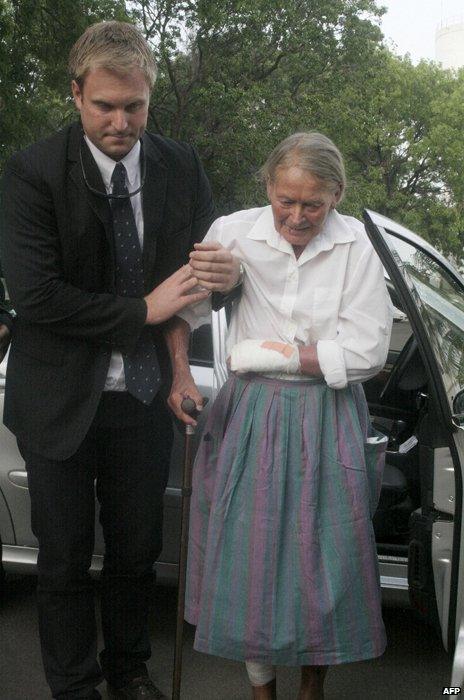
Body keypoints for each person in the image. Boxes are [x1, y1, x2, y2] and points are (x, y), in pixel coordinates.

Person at [0, 21, 239, 700]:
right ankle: (74, 687)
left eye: (134, 106)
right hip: (58, 401)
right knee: (66, 557)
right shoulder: (32, 173)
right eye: (105, 105)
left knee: (136, 553)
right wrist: (144, 309)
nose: (121, 121)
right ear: (76, 94)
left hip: (142, 396)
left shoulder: (179, 166)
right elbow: (37, 296)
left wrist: (223, 279)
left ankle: (128, 672)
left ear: (149, 98)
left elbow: (194, 280)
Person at [177, 132, 393, 699]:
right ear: (268, 188)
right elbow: (182, 309)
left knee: (325, 560)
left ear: (337, 195)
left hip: (329, 417)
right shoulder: (231, 233)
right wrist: (179, 374)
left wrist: (274, 354)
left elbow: (369, 350)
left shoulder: (359, 249)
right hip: (250, 414)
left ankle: (311, 690)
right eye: (285, 201)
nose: (296, 216)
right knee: (251, 559)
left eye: (313, 204)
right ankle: (262, 692)